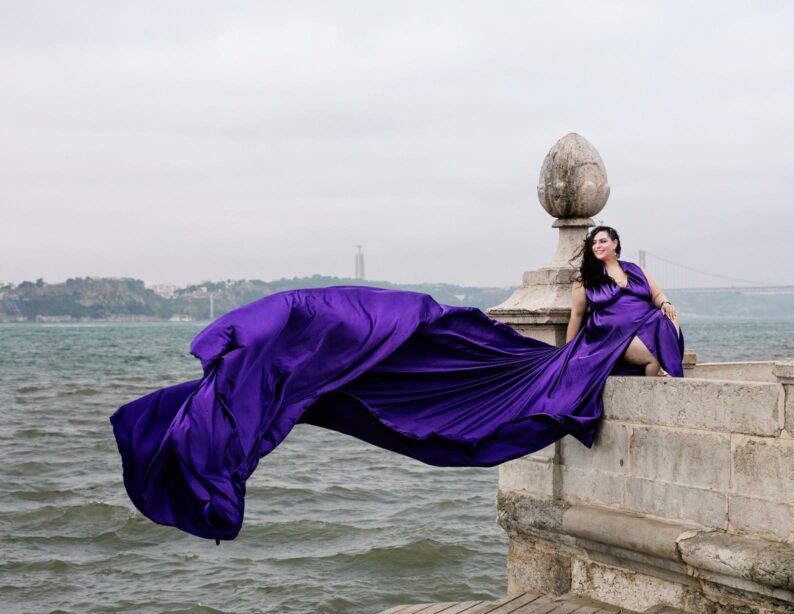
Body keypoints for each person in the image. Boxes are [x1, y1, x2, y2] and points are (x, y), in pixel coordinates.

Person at [111, 227, 684, 541]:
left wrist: (659, 313)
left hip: (374, 330)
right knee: (339, 364)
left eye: (607, 241)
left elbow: (656, 304)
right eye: (597, 243)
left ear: (616, 245)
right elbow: (575, 333)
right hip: (388, 330)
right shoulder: (583, 288)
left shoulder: (634, 275)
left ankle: (213, 419)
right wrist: (558, 361)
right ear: (590, 250)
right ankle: (202, 424)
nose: (602, 247)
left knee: (337, 374)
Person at [567, 226, 681, 377]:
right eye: (594, 243)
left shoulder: (635, 269)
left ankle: (668, 375)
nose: (597, 246)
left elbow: (657, 295)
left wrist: (665, 303)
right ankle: (651, 396)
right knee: (653, 357)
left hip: (645, 325)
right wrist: (567, 351)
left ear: (615, 243)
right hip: (612, 337)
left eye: (602, 241)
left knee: (671, 315)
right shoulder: (585, 278)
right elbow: (577, 314)